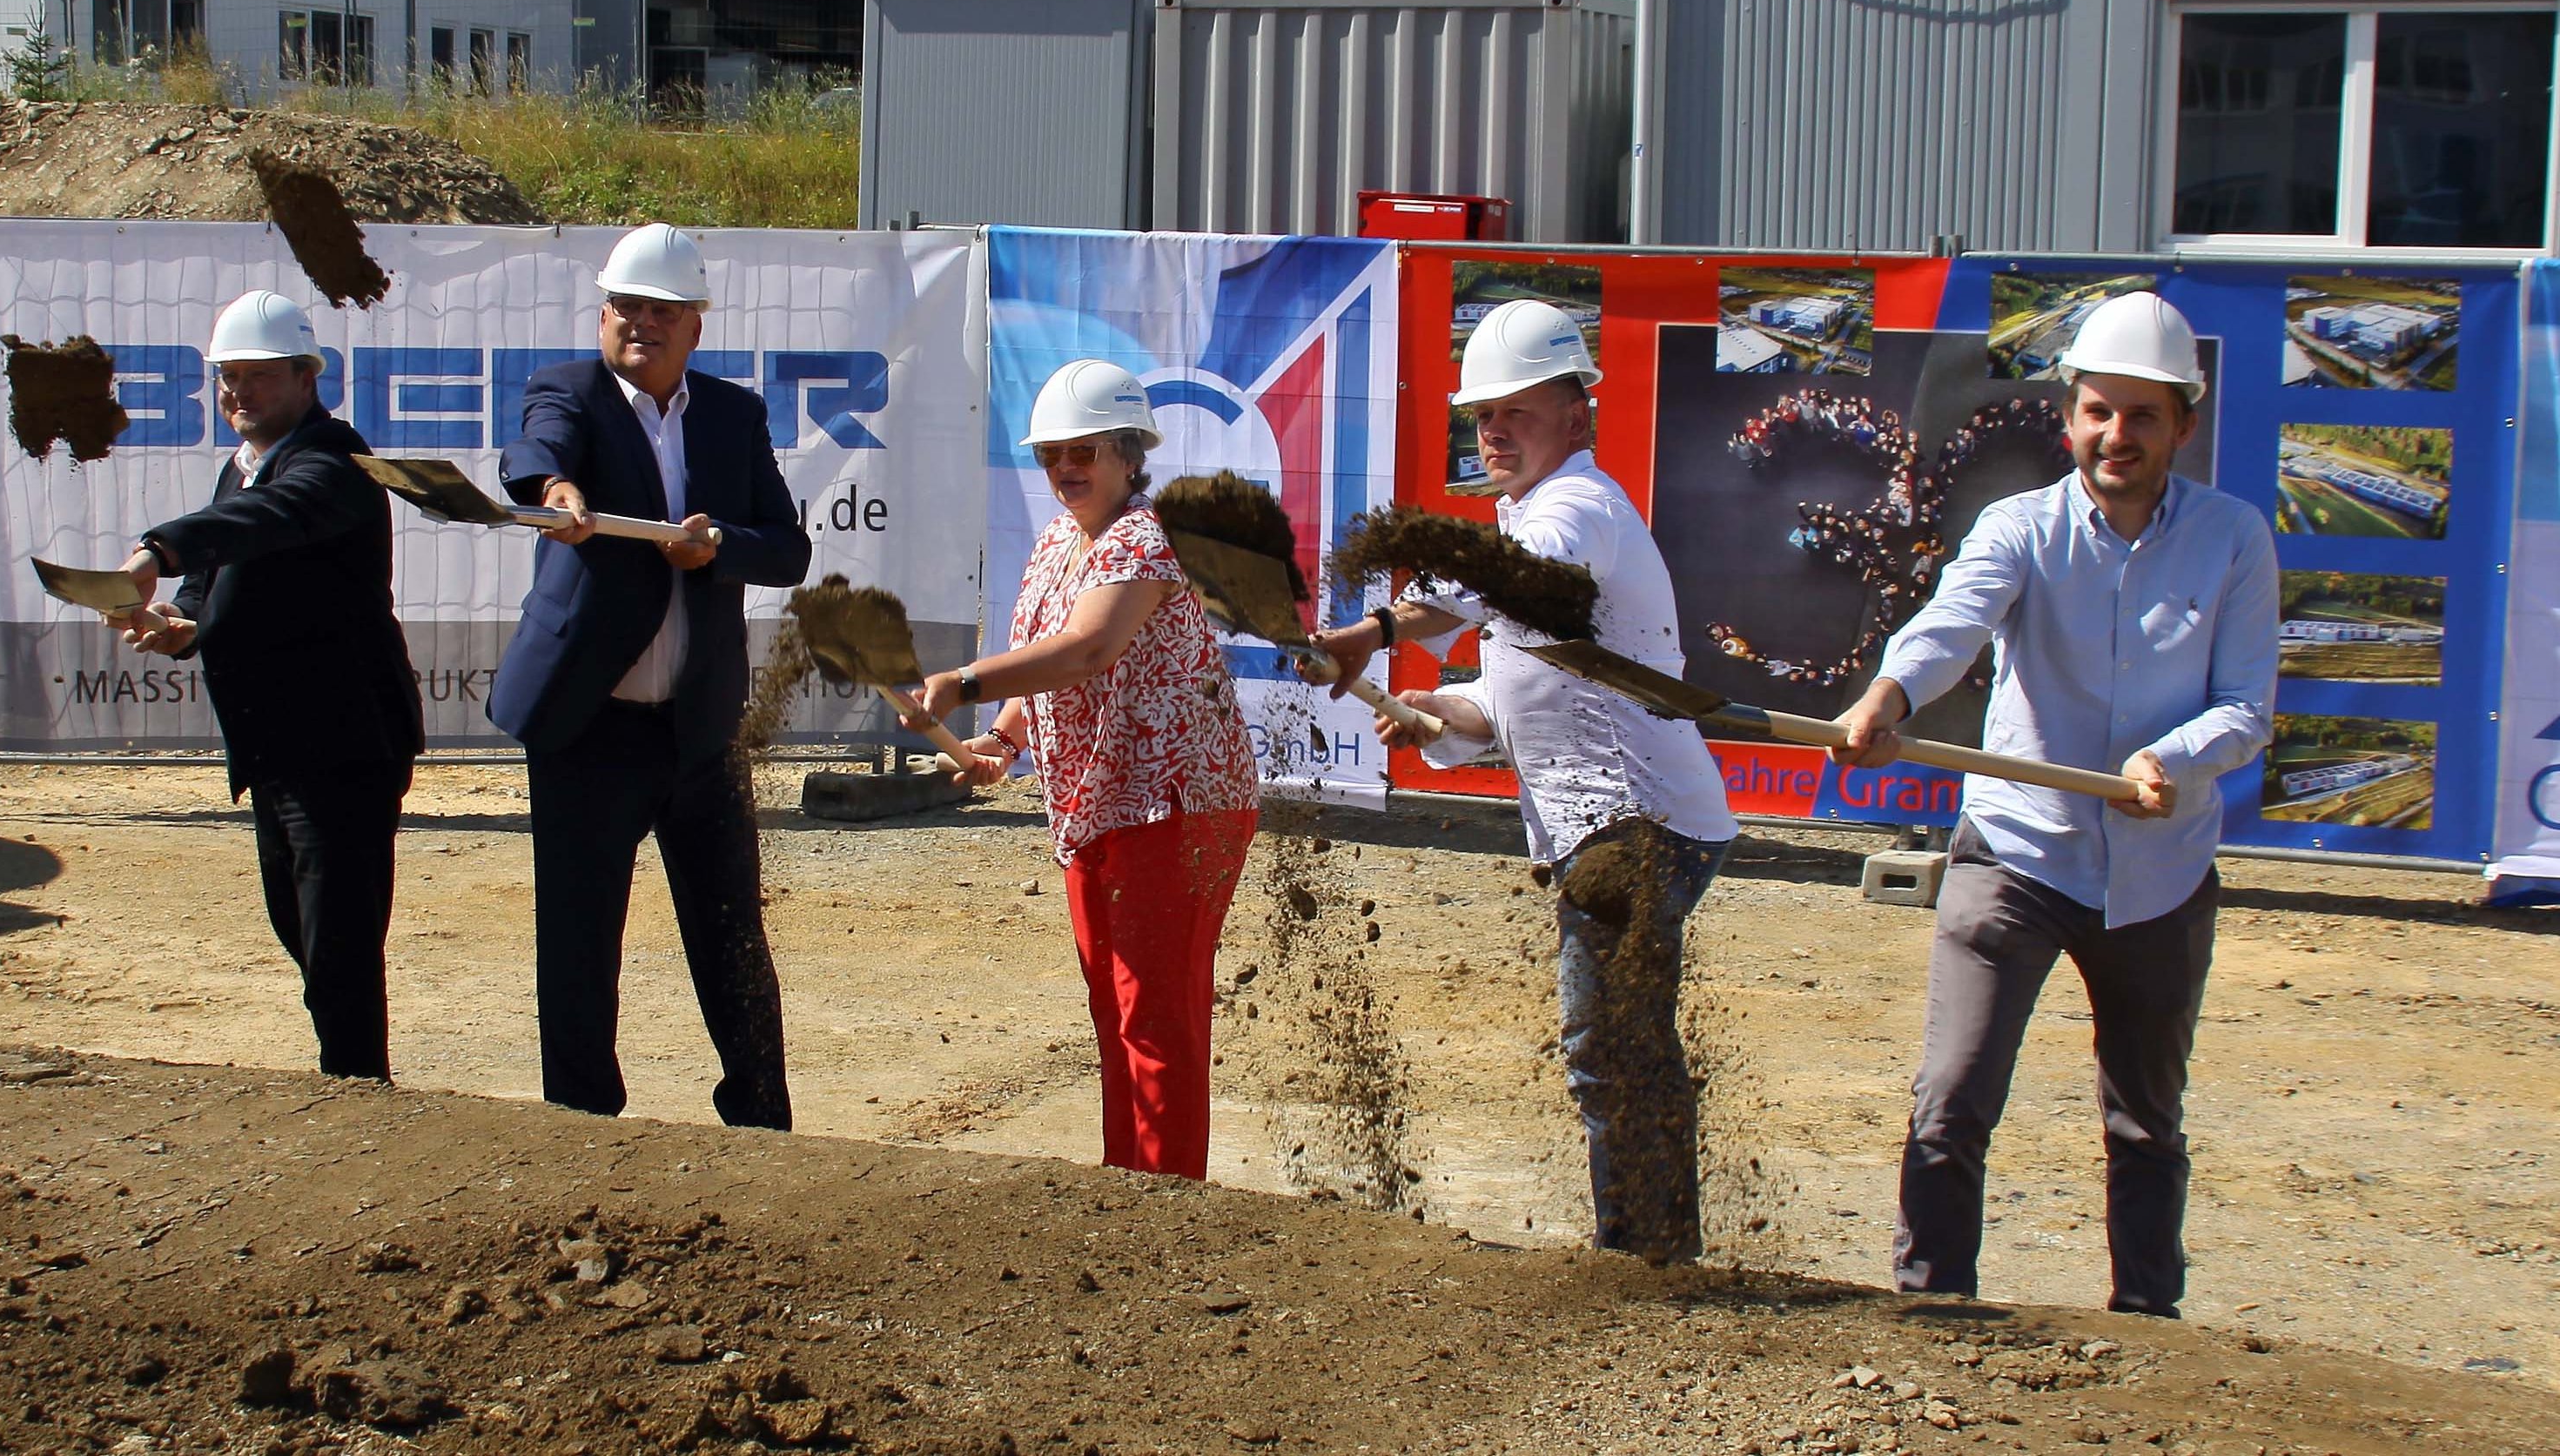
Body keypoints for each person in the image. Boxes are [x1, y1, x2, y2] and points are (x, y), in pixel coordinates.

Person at [1824, 290, 2276, 1319]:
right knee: (1949, 1102)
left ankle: (2149, 1327)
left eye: (2143, 415)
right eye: (2099, 411)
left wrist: (2173, 755)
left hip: (2158, 878)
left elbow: (2247, 706)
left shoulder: (2234, 539)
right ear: (2068, 415)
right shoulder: (2017, 528)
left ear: (2181, 426)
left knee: (2144, 1121)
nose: (2117, 435)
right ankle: (1930, 1309)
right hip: (2016, 859)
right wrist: (1888, 697)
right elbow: (1949, 625)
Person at [1309, 300, 1740, 1262]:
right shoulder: (1527, 521)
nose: (1493, 431)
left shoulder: (1576, 509)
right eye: (1481, 416)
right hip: (1612, 827)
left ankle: (1648, 1256)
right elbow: (1505, 714)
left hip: (1640, 825)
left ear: (1577, 412)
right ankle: (1652, 1248)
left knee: (1608, 1044)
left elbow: (1508, 577)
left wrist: (1373, 631)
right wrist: (1435, 713)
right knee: (1615, 1042)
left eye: (1516, 410)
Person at [487, 223, 816, 1127]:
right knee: (579, 941)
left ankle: (759, 1121)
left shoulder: (731, 415)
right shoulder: (569, 392)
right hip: (587, 726)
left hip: (698, 730)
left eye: (662, 311)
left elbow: (787, 548)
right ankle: (581, 1123)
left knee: (730, 938)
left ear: (694, 327)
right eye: (626, 307)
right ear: (603, 316)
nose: (642, 324)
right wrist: (556, 497)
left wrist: (717, 548)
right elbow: (533, 457)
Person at [917, 361, 1260, 1179]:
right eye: (1051, 456)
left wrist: (965, 684)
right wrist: (1001, 737)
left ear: (1129, 453)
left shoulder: (1146, 535)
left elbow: (1088, 650)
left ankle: (1165, 1204)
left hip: (1174, 804)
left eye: (1085, 452)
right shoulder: (1056, 544)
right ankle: (1128, 1193)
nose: (1066, 468)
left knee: (1154, 1018)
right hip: (1101, 806)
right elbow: (1047, 660)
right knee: (1118, 1012)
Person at [106, 289, 425, 1080]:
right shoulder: (242, 466)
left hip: (343, 745)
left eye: (256, 376)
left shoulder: (334, 462)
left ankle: (360, 1095)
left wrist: (156, 550)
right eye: (226, 378)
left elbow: (268, 522)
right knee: (301, 927)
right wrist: (183, 620)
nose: (236, 393)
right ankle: (351, 1080)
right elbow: (221, 572)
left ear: (305, 377)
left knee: (338, 942)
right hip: (277, 745)